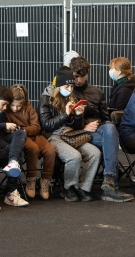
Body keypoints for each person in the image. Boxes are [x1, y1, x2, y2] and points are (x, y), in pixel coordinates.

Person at [69, 56, 134, 202]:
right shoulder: (68, 91)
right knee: (109, 136)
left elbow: (105, 117)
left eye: (82, 76)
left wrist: (100, 124)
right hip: (77, 132)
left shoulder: (96, 92)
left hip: (98, 132)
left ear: (87, 74)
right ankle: (111, 186)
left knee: (110, 127)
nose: (79, 80)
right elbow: (64, 121)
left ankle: (109, 181)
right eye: (76, 77)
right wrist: (85, 126)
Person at [39, 67, 101, 202]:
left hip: (71, 134)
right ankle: (69, 187)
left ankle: (83, 187)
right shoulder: (47, 97)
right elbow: (46, 125)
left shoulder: (72, 96)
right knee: (74, 156)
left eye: (72, 86)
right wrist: (65, 114)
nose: (70, 89)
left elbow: (77, 127)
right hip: (53, 136)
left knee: (95, 153)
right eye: (67, 86)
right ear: (59, 85)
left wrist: (79, 116)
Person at [7, 84, 55, 200]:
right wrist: (24, 131)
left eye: (18, 106)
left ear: (23, 103)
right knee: (32, 148)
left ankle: (45, 180)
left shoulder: (29, 109)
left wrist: (23, 129)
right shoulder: (7, 112)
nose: (15, 108)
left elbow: (37, 127)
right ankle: (31, 178)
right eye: (13, 105)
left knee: (51, 151)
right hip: (21, 137)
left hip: (34, 134)